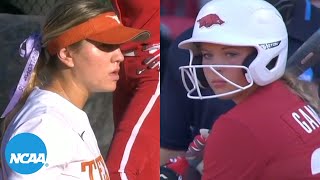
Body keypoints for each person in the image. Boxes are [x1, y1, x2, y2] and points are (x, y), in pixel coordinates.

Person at [0, 0, 150, 179]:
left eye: (118, 46)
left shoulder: (64, 114)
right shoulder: (43, 123)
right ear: (67, 54)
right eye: (106, 45)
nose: (119, 56)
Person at [177, 0, 320, 179]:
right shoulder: (293, 96)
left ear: (265, 54)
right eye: (207, 55)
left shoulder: (235, 126)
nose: (215, 67)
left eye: (230, 54)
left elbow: (247, 132)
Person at [105, 0, 160, 179]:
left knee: (119, 170)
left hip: (153, 69)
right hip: (121, 66)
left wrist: (174, 46)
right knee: (145, 170)